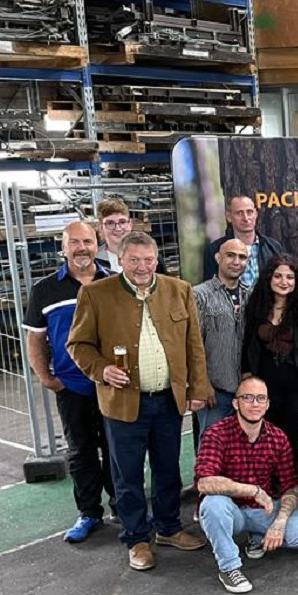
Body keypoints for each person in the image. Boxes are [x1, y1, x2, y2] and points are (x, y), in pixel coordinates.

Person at [68, 231, 211, 572]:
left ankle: (168, 528)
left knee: (168, 469)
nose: (143, 266)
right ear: (120, 260)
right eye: (134, 260)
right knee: (128, 475)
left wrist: (198, 389)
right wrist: (102, 370)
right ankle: (136, 538)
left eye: (149, 260)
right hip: (123, 405)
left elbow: (194, 346)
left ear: (157, 259)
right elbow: (78, 345)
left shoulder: (179, 290)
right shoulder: (94, 294)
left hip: (168, 401)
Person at [25, 220, 114, 543]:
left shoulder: (114, 282)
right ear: (63, 247)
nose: (81, 248)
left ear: (97, 244)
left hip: (110, 386)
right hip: (72, 386)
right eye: (74, 242)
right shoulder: (45, 290)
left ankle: (122, 506)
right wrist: (47, 378)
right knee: (81, 451)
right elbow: (35, 340)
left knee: (116, 448)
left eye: (87, 242)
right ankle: (89, 513)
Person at [194, 377, 298, 593]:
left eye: (261, 398)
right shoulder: (216, 433)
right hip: (231, 512)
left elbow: (292, 486)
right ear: (236, 403)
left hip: (263, 510)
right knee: (212, 505)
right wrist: (251, 490)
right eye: (247, 398)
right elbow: (204, 482)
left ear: (268, 404)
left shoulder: (277, 437)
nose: (254, 404)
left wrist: (279, 523)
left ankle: (258, 535)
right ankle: (229, 567)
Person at [241, 254, 298, 451]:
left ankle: (296, 480)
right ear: (269, 279)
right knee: (269, 436)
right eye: (278, 276)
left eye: (289, 277)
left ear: (296, 281)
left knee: (296, 435)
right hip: (265, 386)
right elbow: (248, 347)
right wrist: (247, 382)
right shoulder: (257, 308)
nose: (284, 282)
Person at [193, 238, 251, 435]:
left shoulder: (250, 295)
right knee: (212, 452)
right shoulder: (199, 295)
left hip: (246, 392)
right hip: (214, 392)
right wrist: (202, 384)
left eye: (242, 257)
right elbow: (194, 344)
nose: (236, 261)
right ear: (218, 258)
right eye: (231, 255)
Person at [202, 195, 282, 288]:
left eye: (250, 212)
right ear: (228, 216)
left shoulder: (273, 247)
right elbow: (209, 289)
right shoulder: (214, 250)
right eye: (239, 213)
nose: (246, 218)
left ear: (256, 214)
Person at [95, 197, 168, 276]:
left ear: (130, 224)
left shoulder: (151, 256)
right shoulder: (95, 260)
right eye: (110, 223)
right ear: (101, 227)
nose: (118, 228)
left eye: (122, 222)